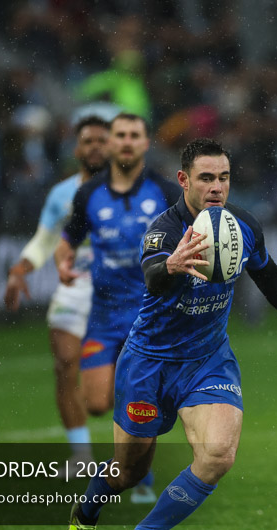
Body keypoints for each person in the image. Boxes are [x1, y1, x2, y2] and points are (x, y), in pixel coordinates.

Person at [61, 138, 277, 530]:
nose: (217, 187)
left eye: (223, 177)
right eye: (206, 178)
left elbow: (267, 271)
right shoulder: (164, 230)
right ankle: (84, 518)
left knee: (218, 454)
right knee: (127, 471)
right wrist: (173, 265)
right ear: (184, 180)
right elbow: (152, 276)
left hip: (206, 360)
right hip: (148, 363)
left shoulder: (242, 226)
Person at [54, 112, 181, 503]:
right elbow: (69, 238)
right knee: (96, 403)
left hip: (149, 316)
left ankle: (139, 473)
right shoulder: (89, 193)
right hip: (104, 318)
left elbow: (191, 235)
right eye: (119, 135)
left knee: (138, 399)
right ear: (109, 143)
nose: (126, 141)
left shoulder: (163, 190)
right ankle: (134, 460)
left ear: (145, 143)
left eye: (134, 135)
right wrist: (62, 261)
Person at [4, 115, 108, 466]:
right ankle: (81, 457)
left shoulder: (132, 192)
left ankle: (134, 453)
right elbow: (43, 241)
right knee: (65, 366)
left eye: (101, 140)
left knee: (110, 393)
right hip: (73, 290)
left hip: (119, 294)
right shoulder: (62, 194)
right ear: (77, 149)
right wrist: (20, 269)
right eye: (88, 141)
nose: (95, 147)